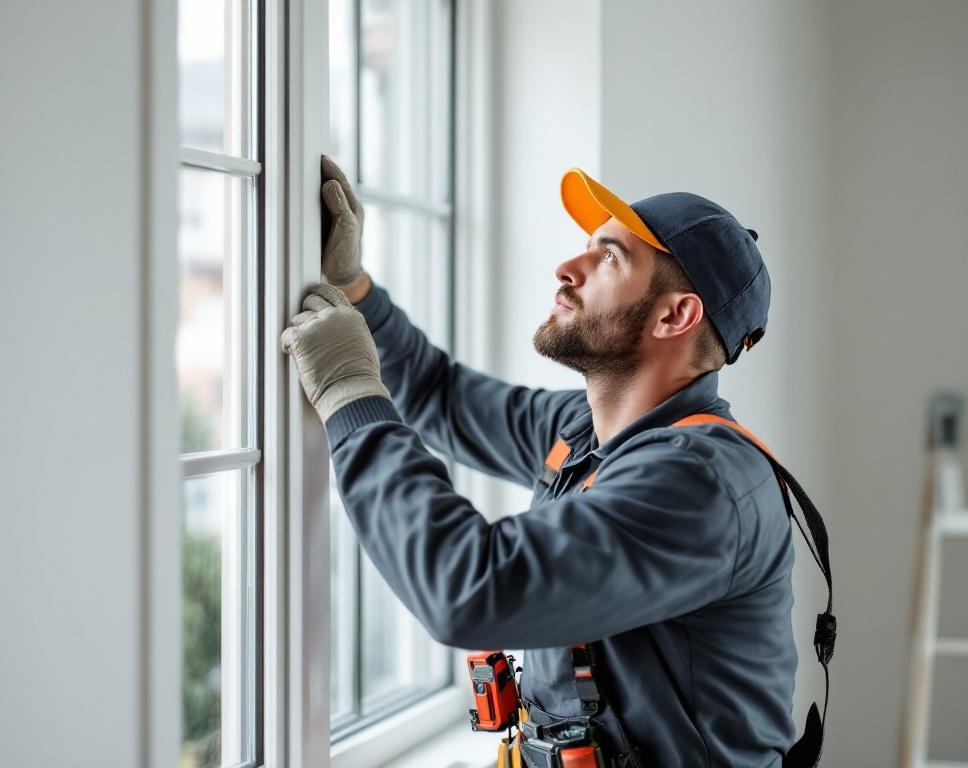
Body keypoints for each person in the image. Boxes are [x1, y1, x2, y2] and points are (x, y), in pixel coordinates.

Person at [281, 156, 831, 767]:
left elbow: (469, 590)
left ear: (675, 314)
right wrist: (356, 289)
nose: (568, 268)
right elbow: (444, 396)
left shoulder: (699, 482)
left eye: (609, 259)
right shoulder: (585, 428)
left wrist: (351, 394)